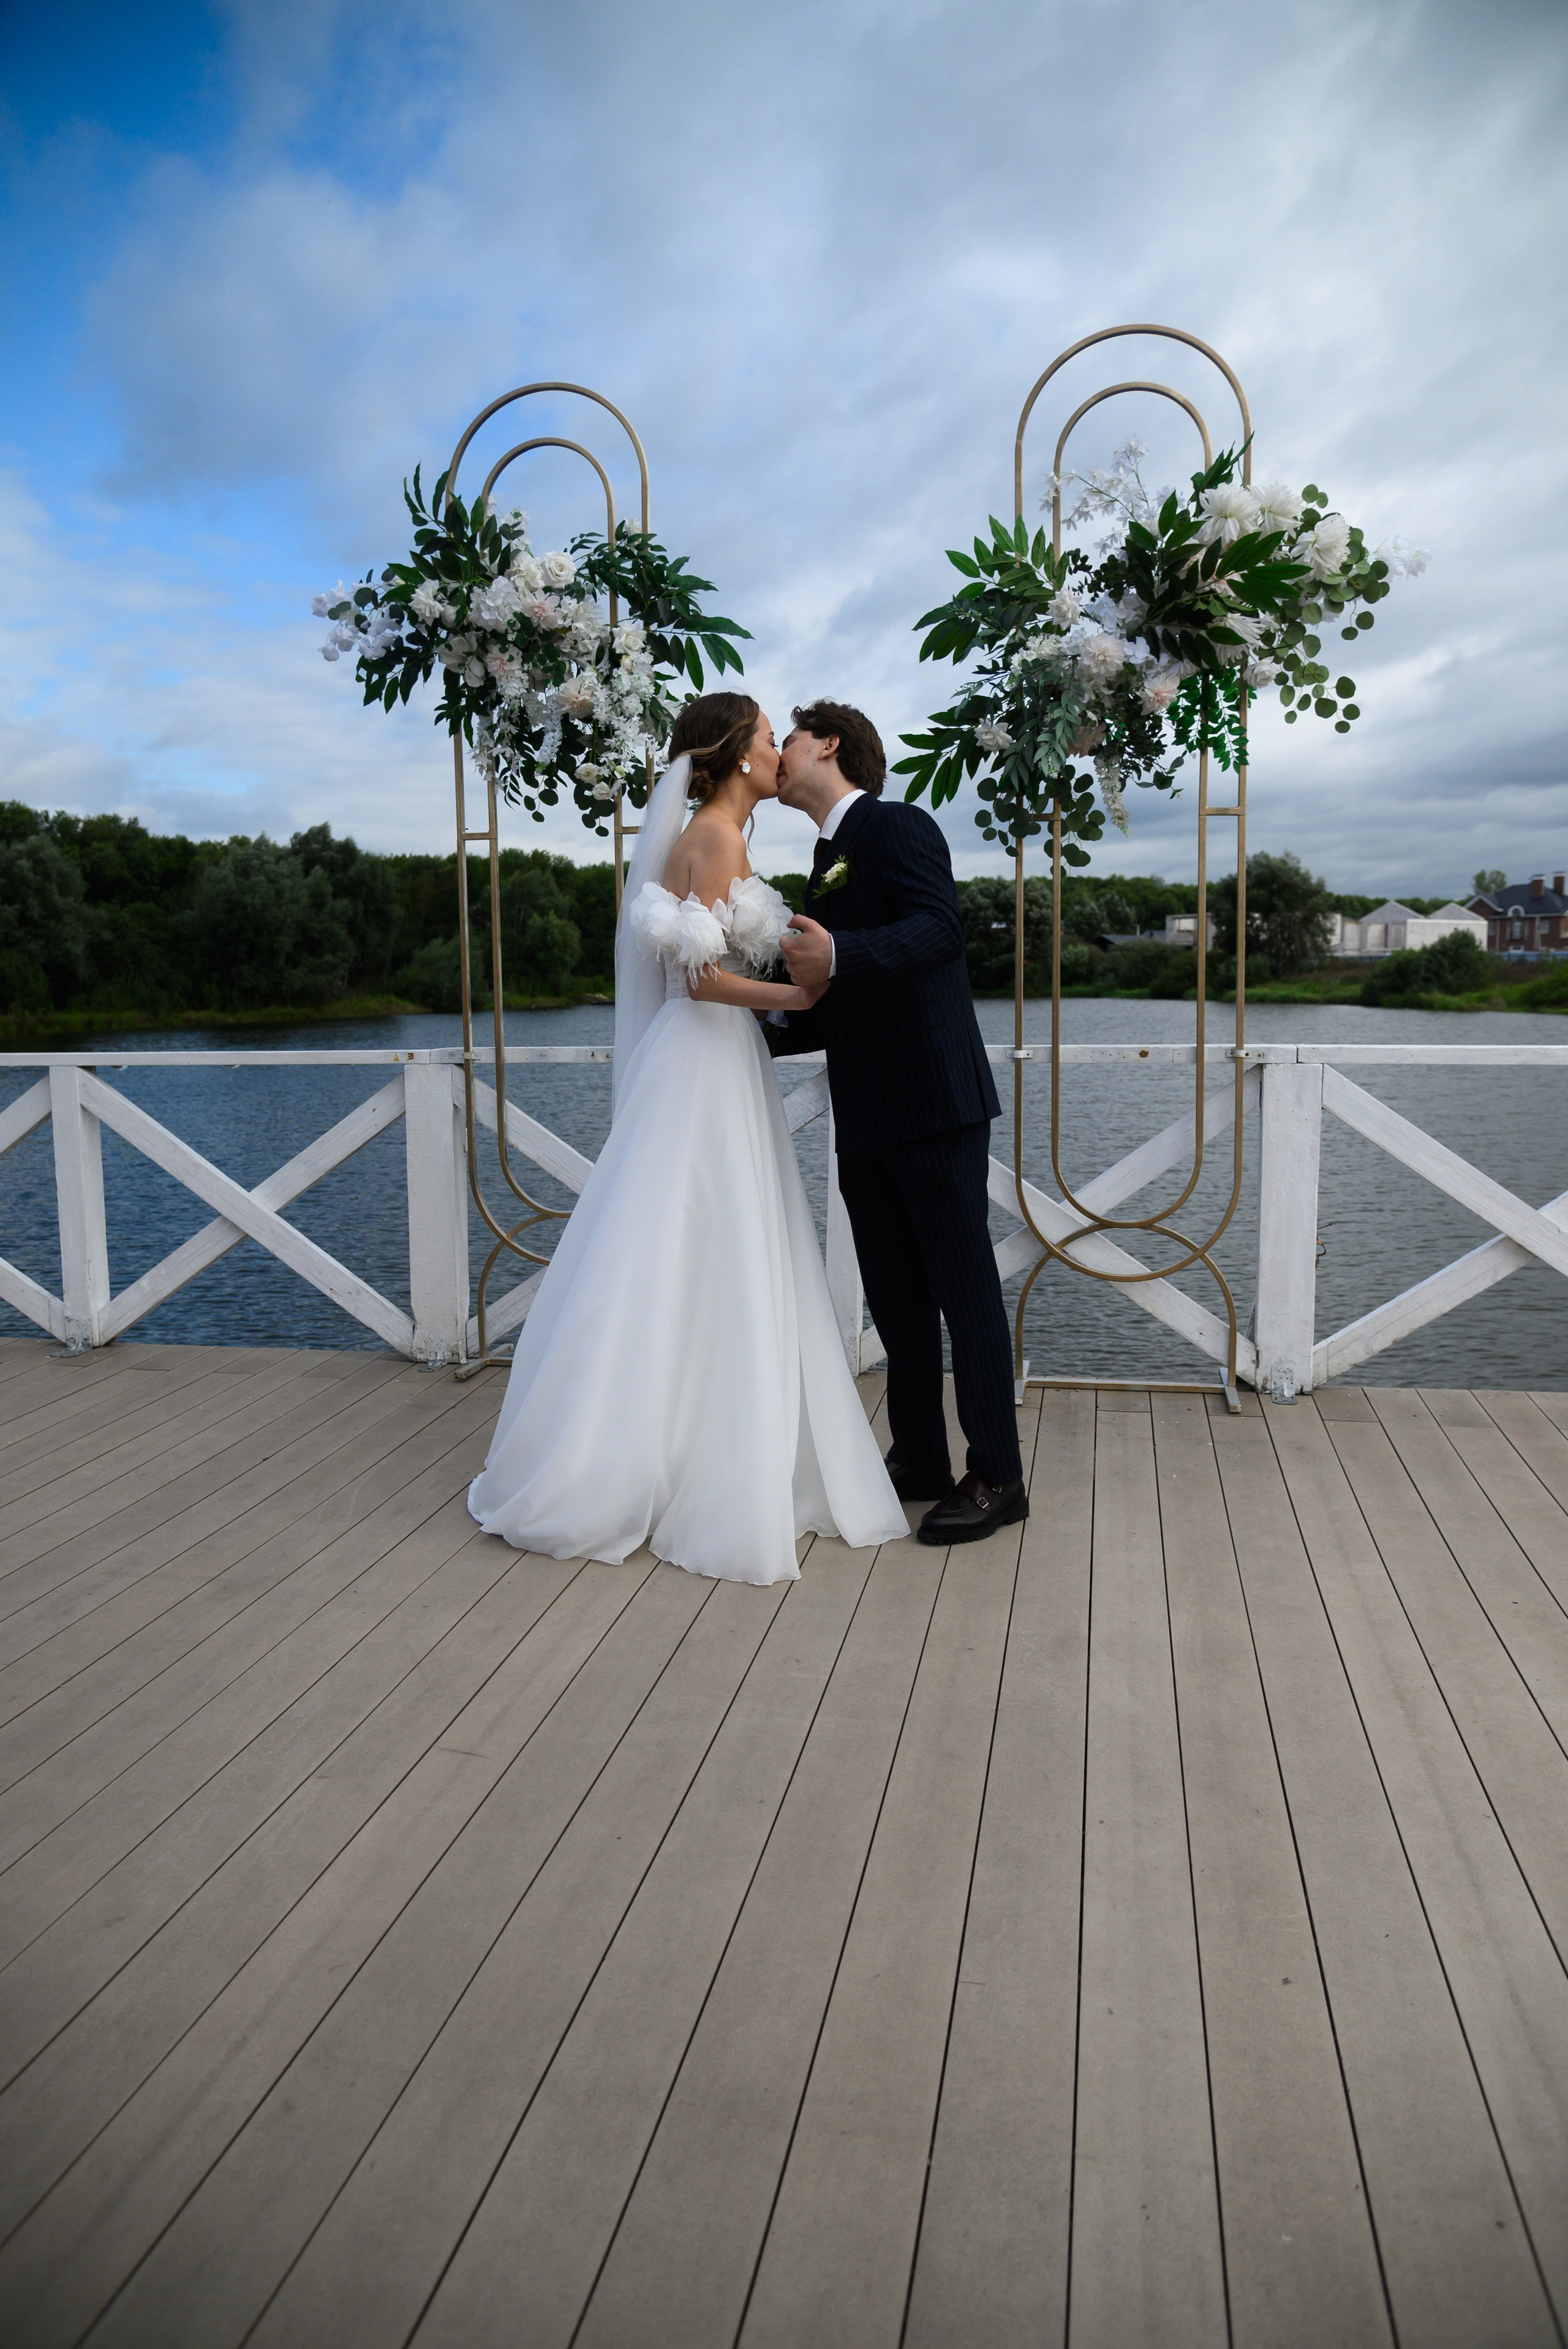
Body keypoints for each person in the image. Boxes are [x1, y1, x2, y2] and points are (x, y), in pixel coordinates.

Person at [467, 693, 907, 1587]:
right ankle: (653, 1463)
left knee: (715, 1242)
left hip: (719, 1066)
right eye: (763, 736)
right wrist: (802, 999)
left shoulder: (725, 835)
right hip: (702, 1062)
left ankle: (703, 1440)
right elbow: (700, 982)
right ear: (738, 756)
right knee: (687, 1239)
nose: (777, 749)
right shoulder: (713, 836)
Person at [772, 700, 1027, 1544]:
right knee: (897, 1300)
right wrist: (742, 1021)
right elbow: (824, 999)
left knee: (964, 1293)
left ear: (831, 745)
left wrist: (843, 954)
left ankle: (997, 1475)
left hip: (935, 1102)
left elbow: (939, 930)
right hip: (868, 1112)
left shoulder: (896, 824)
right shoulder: (824, 861)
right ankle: (920, 1456)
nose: (778, 752)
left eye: (790, 739)